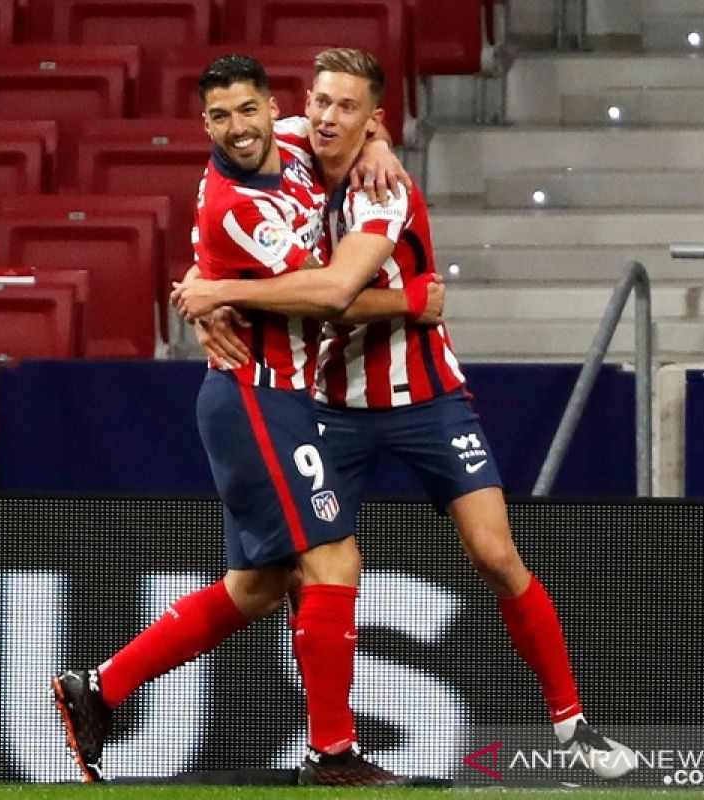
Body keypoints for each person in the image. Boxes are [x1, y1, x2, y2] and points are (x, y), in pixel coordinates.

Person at [172, 47, 638, 781]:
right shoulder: (286, 140)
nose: (327, 118)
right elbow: (227, 195)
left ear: (374, 119)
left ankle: (573, 726)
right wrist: (205, 286)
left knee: (493, 553)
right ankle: (327, 749)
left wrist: (227, 293)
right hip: (328, 402)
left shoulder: (382, 190)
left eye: (348, 108)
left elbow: (332, 292)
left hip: (426, 398)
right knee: (287, 579)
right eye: (321, 101)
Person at [51, 54, 437, 787]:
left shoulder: (290, 142)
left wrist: (380, 140)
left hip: (270, 397)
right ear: (207, 124)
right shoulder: (237, 203)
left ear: (270, 107)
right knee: (334, 560)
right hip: (257, 397)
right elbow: (327, 293)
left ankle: (97, 689)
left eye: (249, 110)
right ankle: (331, 755)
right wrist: (412, 302)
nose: (240, 128)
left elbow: (346, 127)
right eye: (221, 117)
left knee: (258, 586)